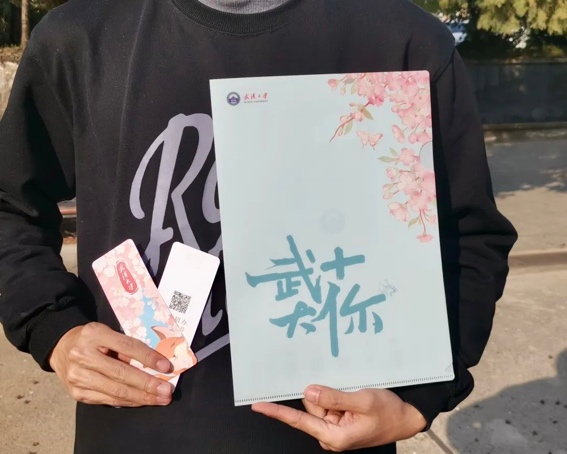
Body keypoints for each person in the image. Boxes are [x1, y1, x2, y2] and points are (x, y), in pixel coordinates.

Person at [0, 0, 517, 452]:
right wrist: (54, 329)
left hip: (328, 438)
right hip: (132, 433)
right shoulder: (80, 37)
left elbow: (471, 237)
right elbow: (11, 206)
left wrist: (420, 396)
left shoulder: (401, 39)